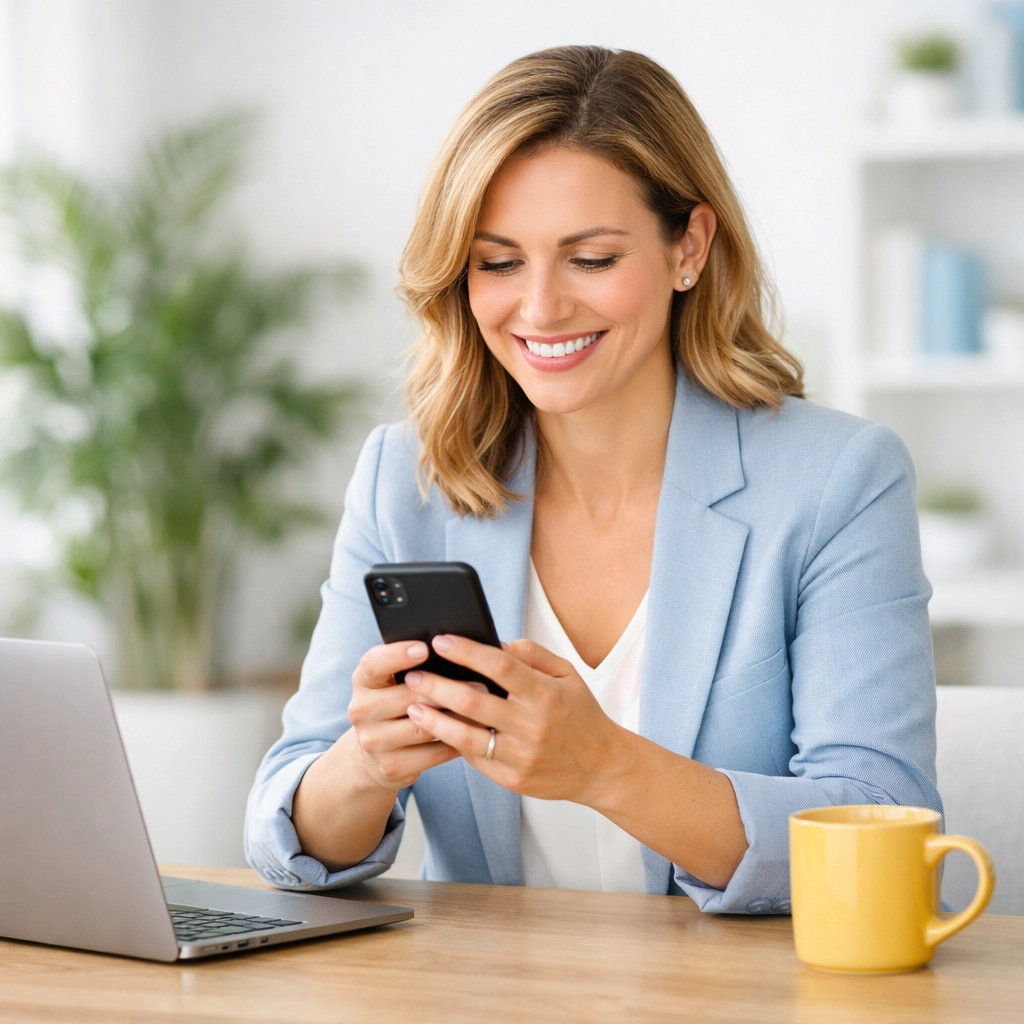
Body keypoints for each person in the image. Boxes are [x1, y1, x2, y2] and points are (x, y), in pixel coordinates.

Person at [245, 46, 939, 912]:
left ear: (689, 245)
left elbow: (889, 828)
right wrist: (365, 766)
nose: (539, 309)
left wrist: (607, 766)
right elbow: (286, 833)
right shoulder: (405, 479)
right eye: (498, 263)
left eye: (592, 259)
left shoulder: (840, 481)